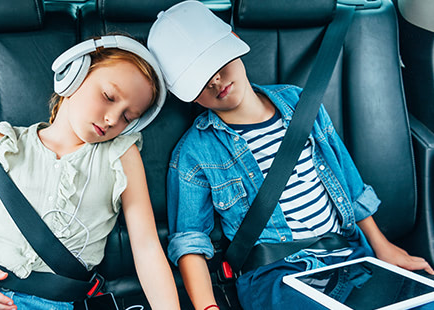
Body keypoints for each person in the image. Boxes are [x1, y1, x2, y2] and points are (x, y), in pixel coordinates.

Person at [146, 1, 434, 309]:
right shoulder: (195, 152)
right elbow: (190, 241)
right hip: (275, 273)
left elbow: (348, 183)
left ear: (235, 43)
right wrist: (208, 306)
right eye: (200, 81)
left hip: (349, 255)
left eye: (216, 64)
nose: (215, 81)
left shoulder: (300, 102)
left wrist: (383, 247)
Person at [0, 35, 180, 310]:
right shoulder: (5, 145)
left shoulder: (120, 157)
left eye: (127, 118)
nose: (112, 119)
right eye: (108, 97)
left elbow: (146, 248)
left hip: (49, 301)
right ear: (74, 74)